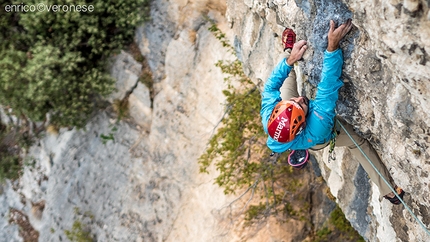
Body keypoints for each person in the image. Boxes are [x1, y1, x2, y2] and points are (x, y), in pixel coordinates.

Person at [260, 19, 405, 205]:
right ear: (303, 122)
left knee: (287, 75)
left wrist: (290, 60)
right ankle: (388, 190)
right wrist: (332, 46)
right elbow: (328, 85)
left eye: (293, 101)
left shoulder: (269, 117)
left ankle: (290, 50)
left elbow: (271, 88)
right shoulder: (318, 126)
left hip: (291, 120)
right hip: (320, 135)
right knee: (358, 143)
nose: (299, 98)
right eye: (300, 105)